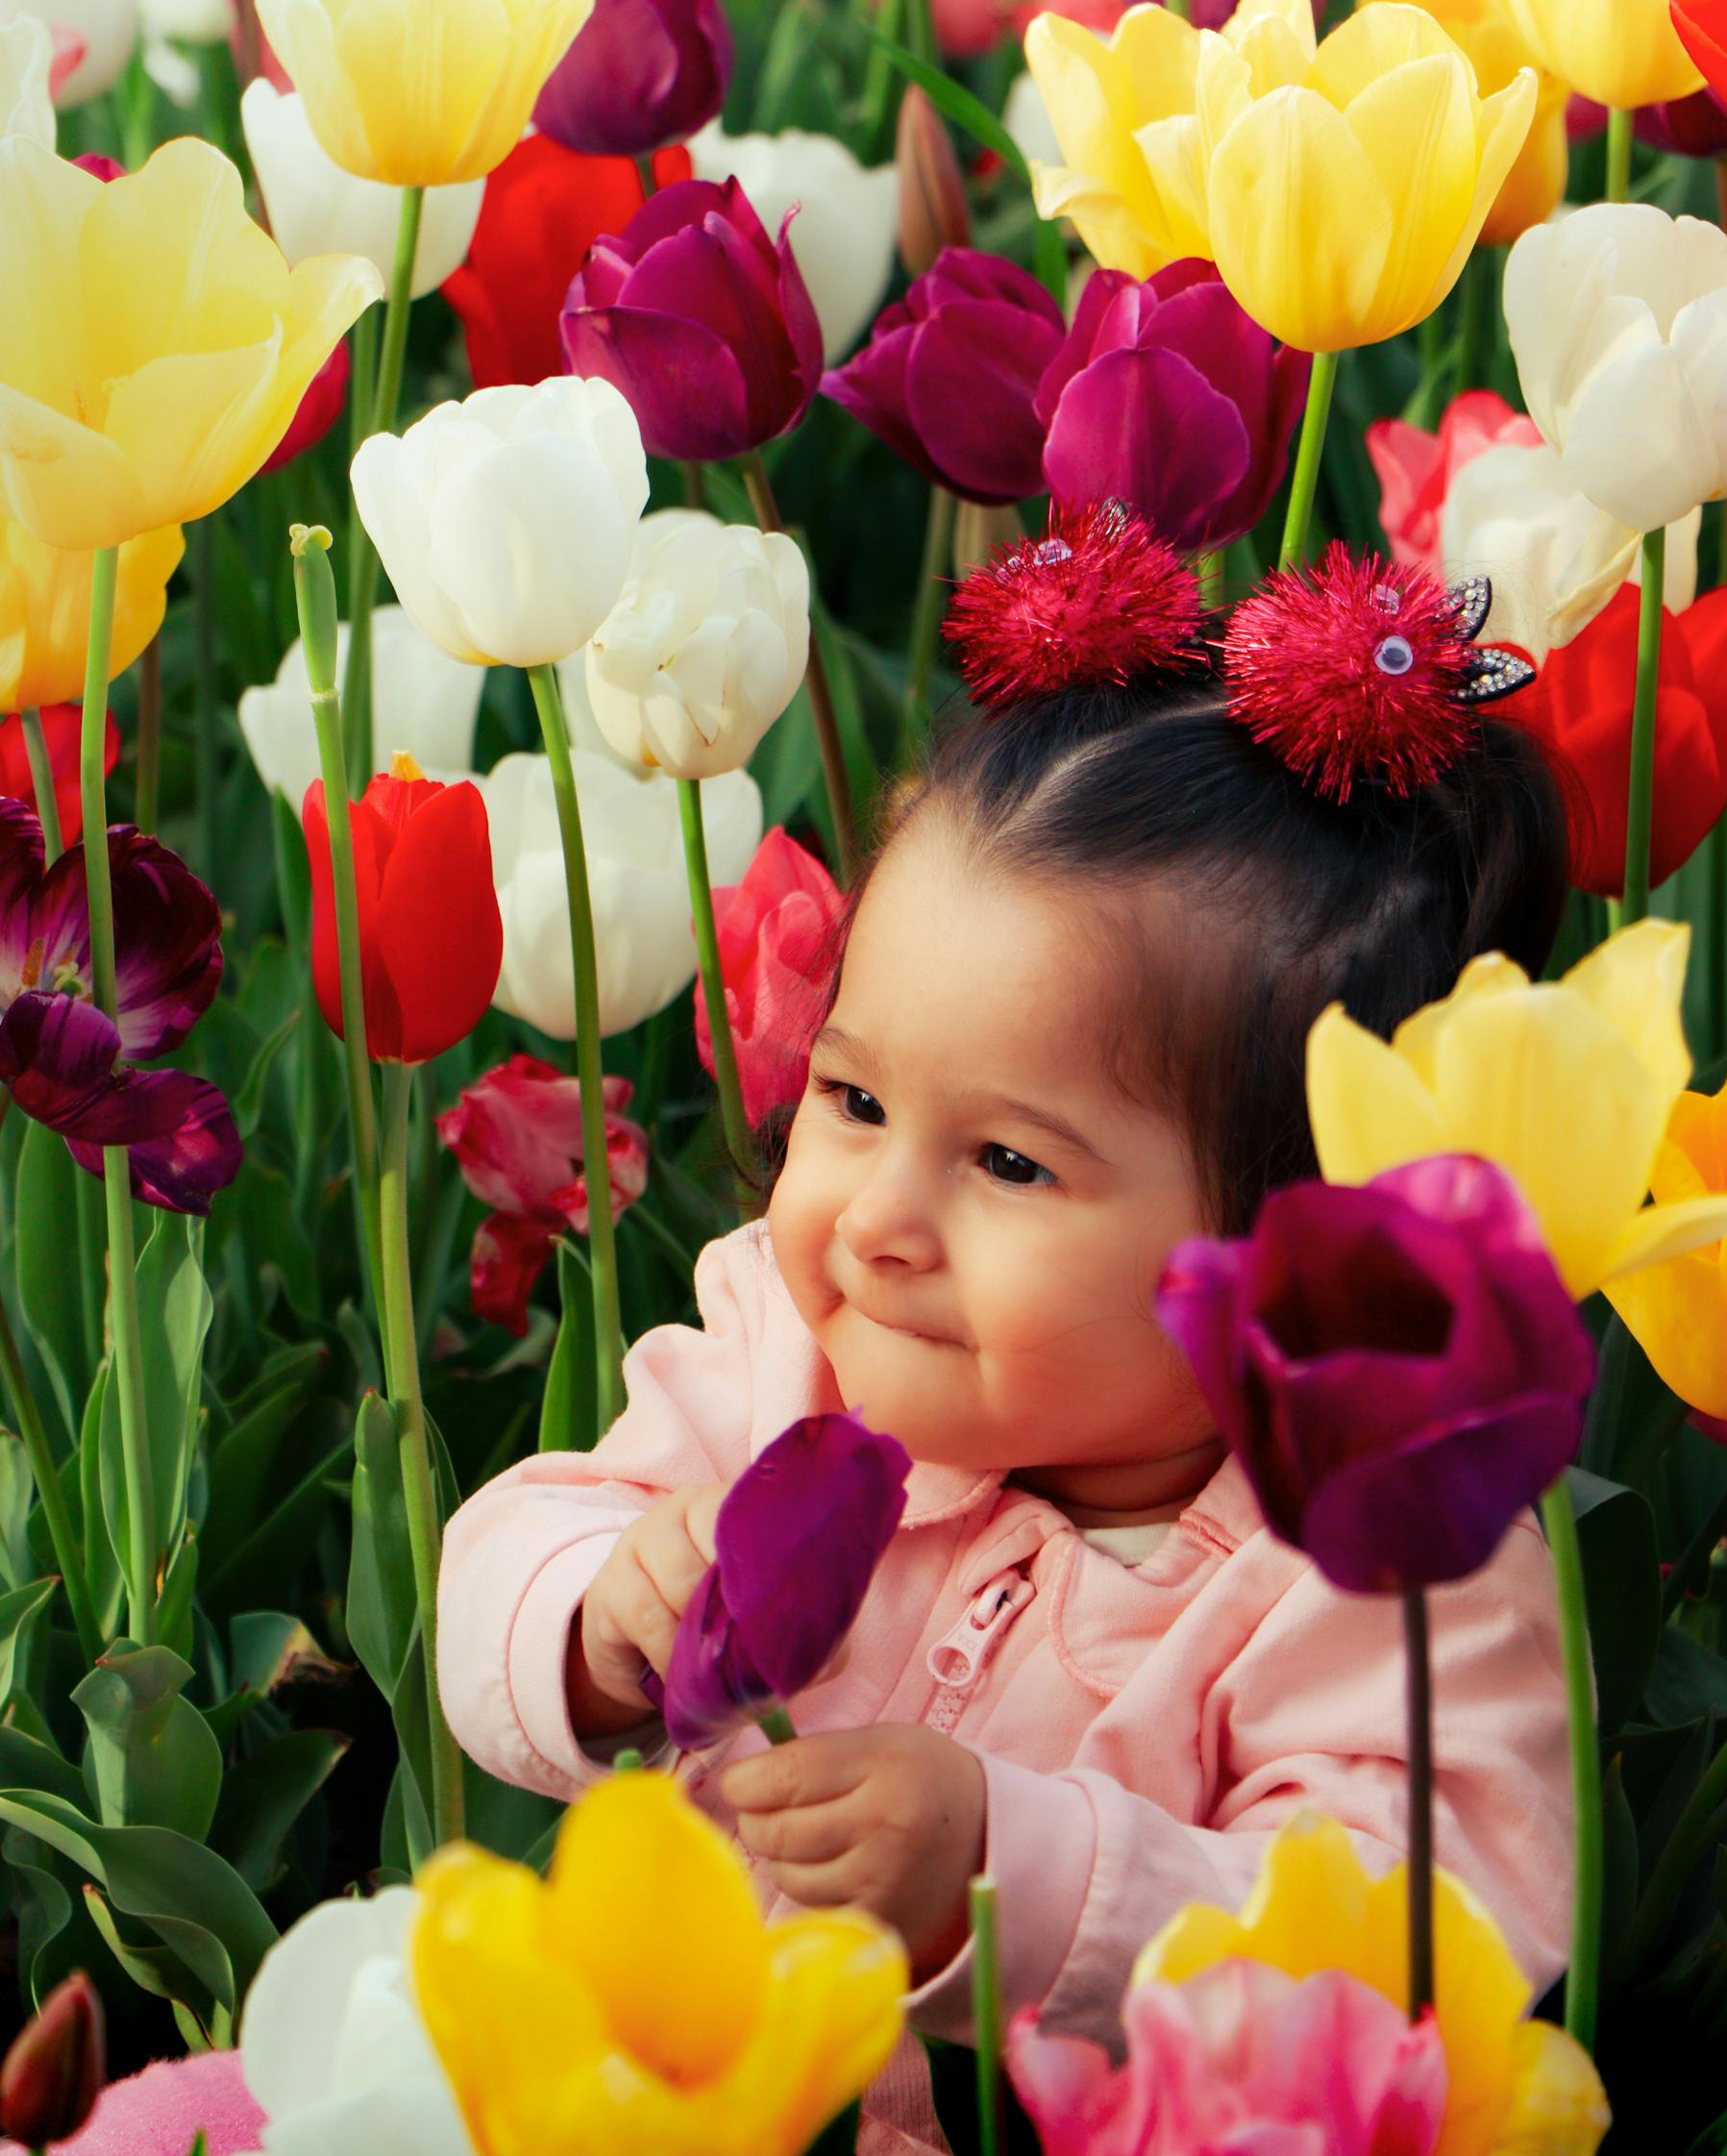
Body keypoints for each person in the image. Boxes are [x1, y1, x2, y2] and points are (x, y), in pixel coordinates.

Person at [436, 515, 1575, 2155]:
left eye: (1009, 1161)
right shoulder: (788, 1342)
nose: (878, 1213)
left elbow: (1426, 1939)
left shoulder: (1380, 1554)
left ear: (1298, 1232)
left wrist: (1012, 1868)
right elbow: (505, 1546)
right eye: (854, 1094)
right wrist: (596, 1618)